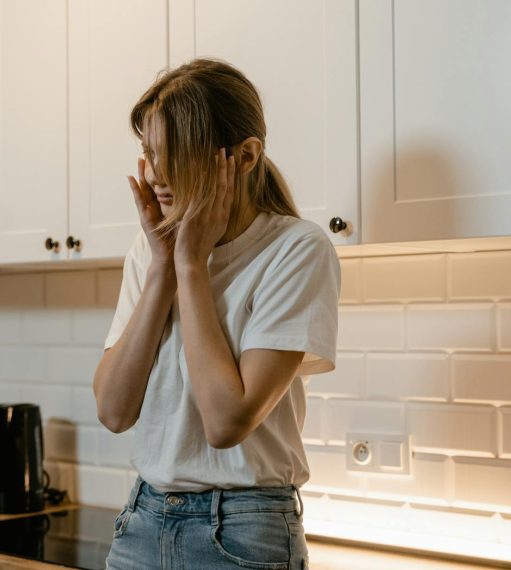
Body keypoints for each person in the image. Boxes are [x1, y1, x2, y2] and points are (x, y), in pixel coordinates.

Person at [93, 58, 341, 570]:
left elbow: (227, 421)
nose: (157, 174)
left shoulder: (296, 250)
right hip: (142, 518)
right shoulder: (149, 253)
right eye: (149, 153)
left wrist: (190, 266)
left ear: (245, 156)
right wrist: (163, 263)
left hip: (244, 530)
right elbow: (114, 411)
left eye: (175, 154)